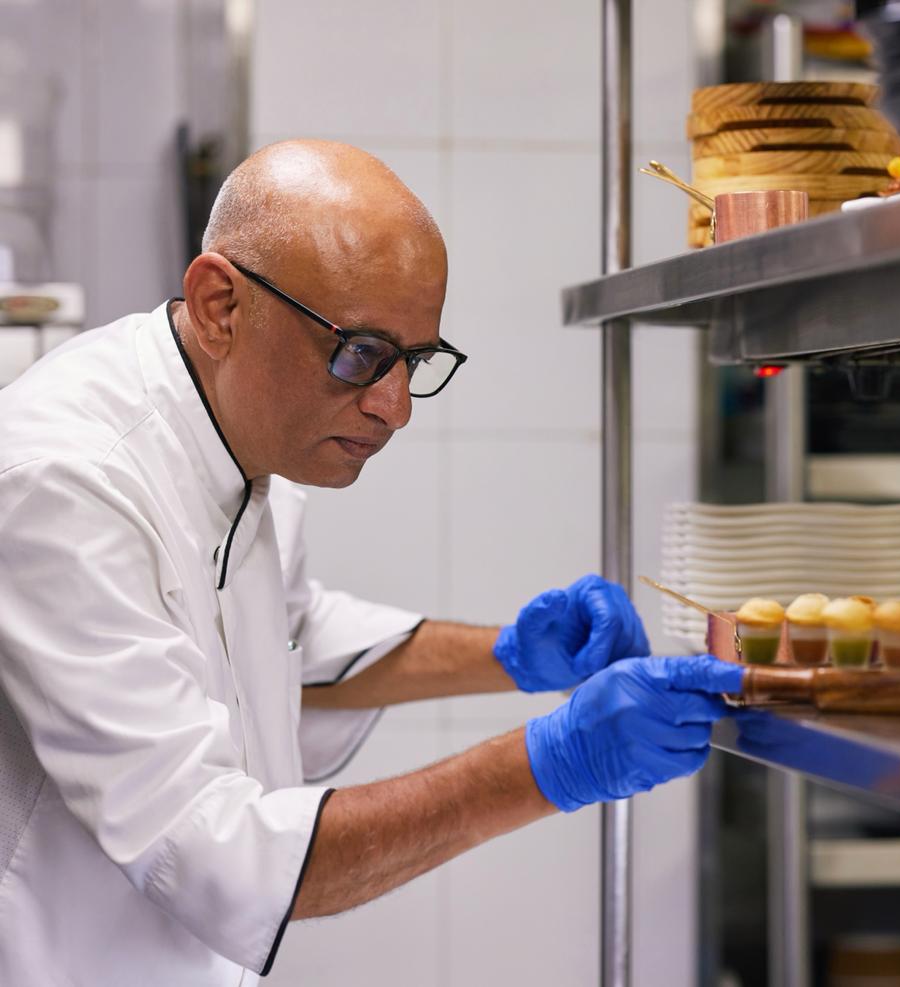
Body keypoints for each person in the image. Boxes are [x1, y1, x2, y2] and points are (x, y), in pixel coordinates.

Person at [0, 140, 741, 986]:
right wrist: (549, 765)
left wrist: (512, 654)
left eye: (414, 362)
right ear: (219, 305)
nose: (395, 408)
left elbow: (288, 642)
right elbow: (212, 853)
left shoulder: (234, 436)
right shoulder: (67, 483)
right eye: (360, 352)